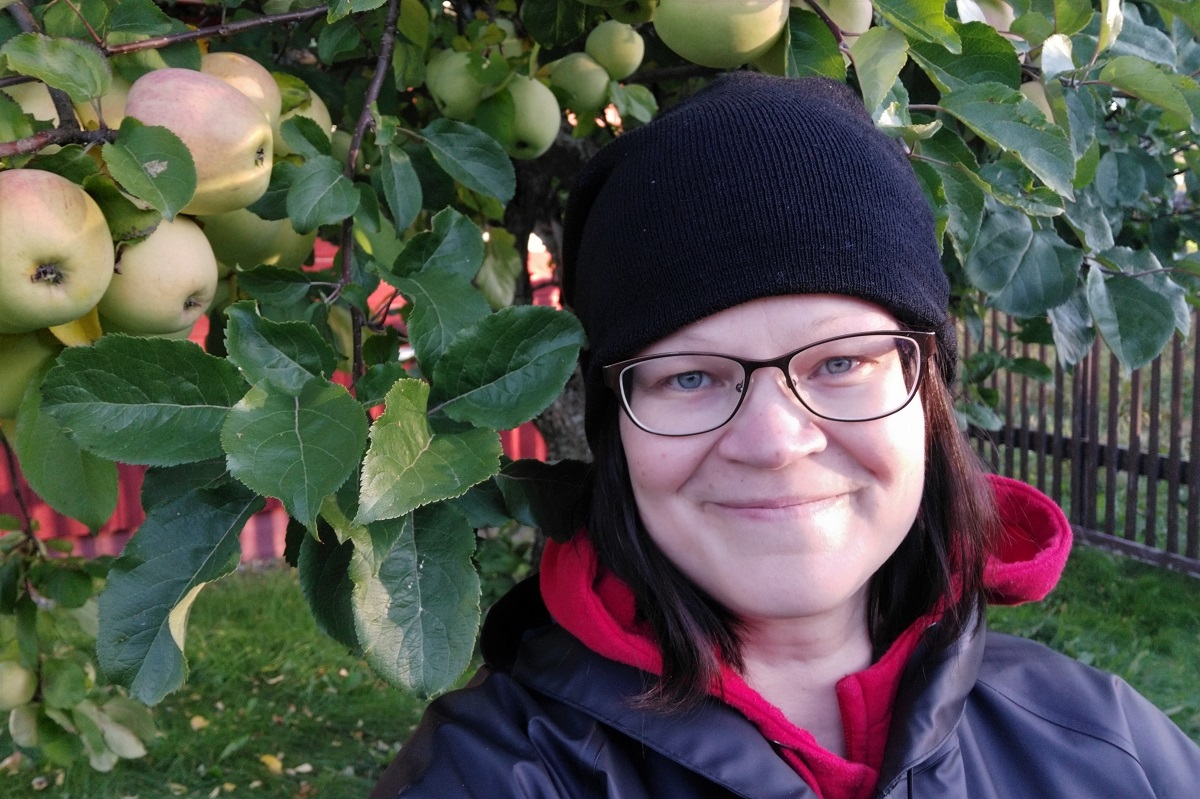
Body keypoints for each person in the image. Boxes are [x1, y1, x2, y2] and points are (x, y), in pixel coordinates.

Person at [371, 73, 1200, 798]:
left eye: (841, 362)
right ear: (615, 427)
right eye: (690, 376)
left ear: (925, 393)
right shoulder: (490, 777)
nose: (773, 441)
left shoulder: (1110, 750)